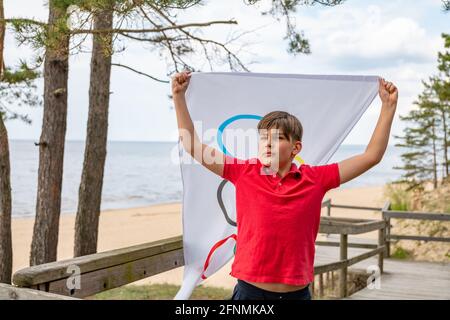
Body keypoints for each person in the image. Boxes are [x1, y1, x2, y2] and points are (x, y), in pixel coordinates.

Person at [171, 70, 398, 300]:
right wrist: (179, 97)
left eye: (278, 138)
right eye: (263, 137)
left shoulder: (316, 179)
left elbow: (372, 156)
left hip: (296, 296)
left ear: (295, 148)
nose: (268, 143)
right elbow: (192, 145)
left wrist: (387, 108)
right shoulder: (243, 172)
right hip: (250, 294)